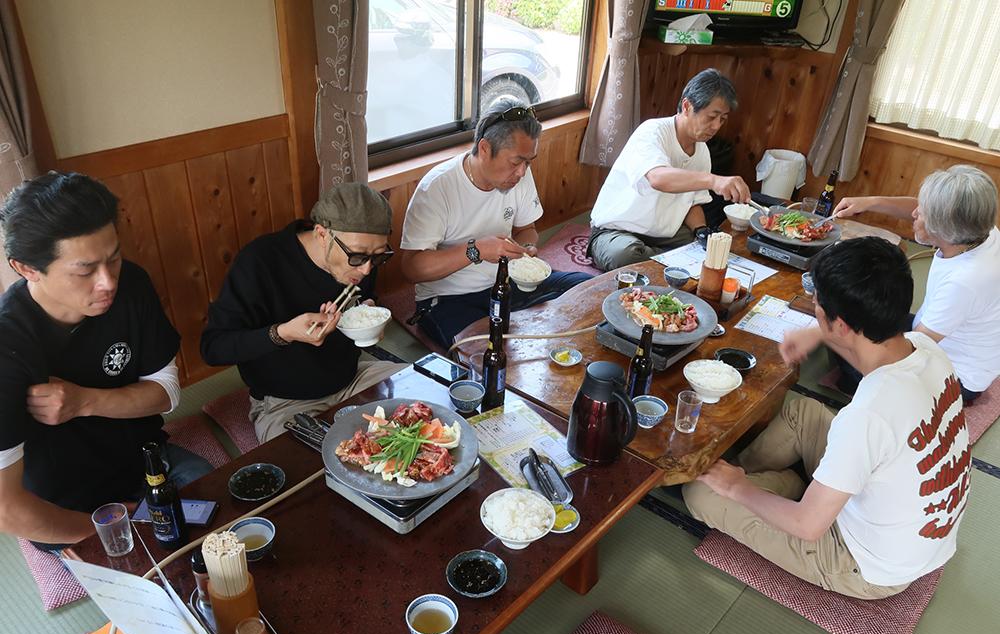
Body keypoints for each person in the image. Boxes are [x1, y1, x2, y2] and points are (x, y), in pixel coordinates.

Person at [683, 237, 970, 599]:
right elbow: (861, 346)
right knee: (802, 412)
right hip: (916, 529)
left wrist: (735, 489)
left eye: (817, 306)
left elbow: (807, 526)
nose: (815, 309)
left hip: (865, 563)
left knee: (700, 494)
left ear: (843, 324)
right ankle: (765, 484)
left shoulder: (868, 413)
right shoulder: (924, 347)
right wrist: (820, 334)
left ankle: (754, 486)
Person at [0, 172, 211, 547]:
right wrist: (114, 530)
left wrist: (83, 401)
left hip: (149, 465)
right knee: (146, 567)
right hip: (66, 503)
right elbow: (7, 507)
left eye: (113, 258)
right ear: (27, 268)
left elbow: (165, 392)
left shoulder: (131, 284)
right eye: (85, 270)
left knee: (226, 519)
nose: (108, 282)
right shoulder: (7, 345)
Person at [201, 183, 405, 443]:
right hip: (285, 401)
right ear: (322, 234)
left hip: (354, 378)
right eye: (357, 256)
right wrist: (283, 333)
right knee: (309, 463)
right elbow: (213, 348)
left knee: (424, 399)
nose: (366, 269)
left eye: (378, 256)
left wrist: (369, 311)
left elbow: (366, 295)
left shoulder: (362, 259)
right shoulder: (260, 262)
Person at [399, 96, 591, 348]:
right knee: (492, 349)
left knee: (590, 291)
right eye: (516, 162)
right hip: (450, 299)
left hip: (509, 282)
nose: (522, 172)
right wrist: (476, 250)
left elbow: (527, 229)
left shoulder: (520, 174)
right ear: (484, 149)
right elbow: (412, 268)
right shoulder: (438, 188)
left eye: (528, 162)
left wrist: (525, 249)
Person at [828, 164, 1000, 403]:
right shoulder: (979, 227)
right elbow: (927, 209)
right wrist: (869, 202)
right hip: (944, 336)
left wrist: (831, 337)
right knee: (858, 316)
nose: (914, 212)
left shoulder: (964, 282)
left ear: (942, 228)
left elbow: (909, 354)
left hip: (955, 376)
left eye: (923, 212)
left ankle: (862, 393)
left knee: (843, 331)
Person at [587, 68, 751, 272]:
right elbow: (658, 178)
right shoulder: (652, 132)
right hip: (617, 231)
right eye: (712, 117)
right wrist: (714, 180)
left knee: (711, 248)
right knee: (625, 255)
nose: (716, 126)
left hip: (663, 235)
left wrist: (701, 232)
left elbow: (692, 202)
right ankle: (668, 263)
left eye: (723, 119)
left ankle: (663, 261)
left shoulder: (702, 151)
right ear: (687, 106)